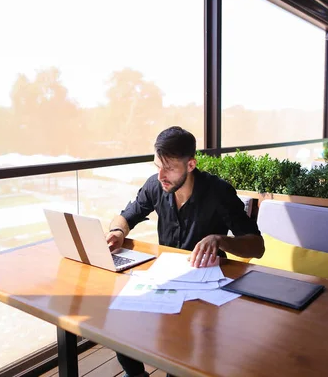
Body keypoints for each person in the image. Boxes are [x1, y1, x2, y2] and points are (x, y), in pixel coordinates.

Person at [106, 126, 264, 377]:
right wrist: (118, 231)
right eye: (157, 165)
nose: (161, 175)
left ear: (191, 165)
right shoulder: (156, 186)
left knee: (179, 360)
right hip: (166, 279)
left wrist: (221, 240)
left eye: (169, 168)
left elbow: (257, 246)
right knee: (117, 323)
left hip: (206, 290)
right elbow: (127, 215)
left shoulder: (218, 192)